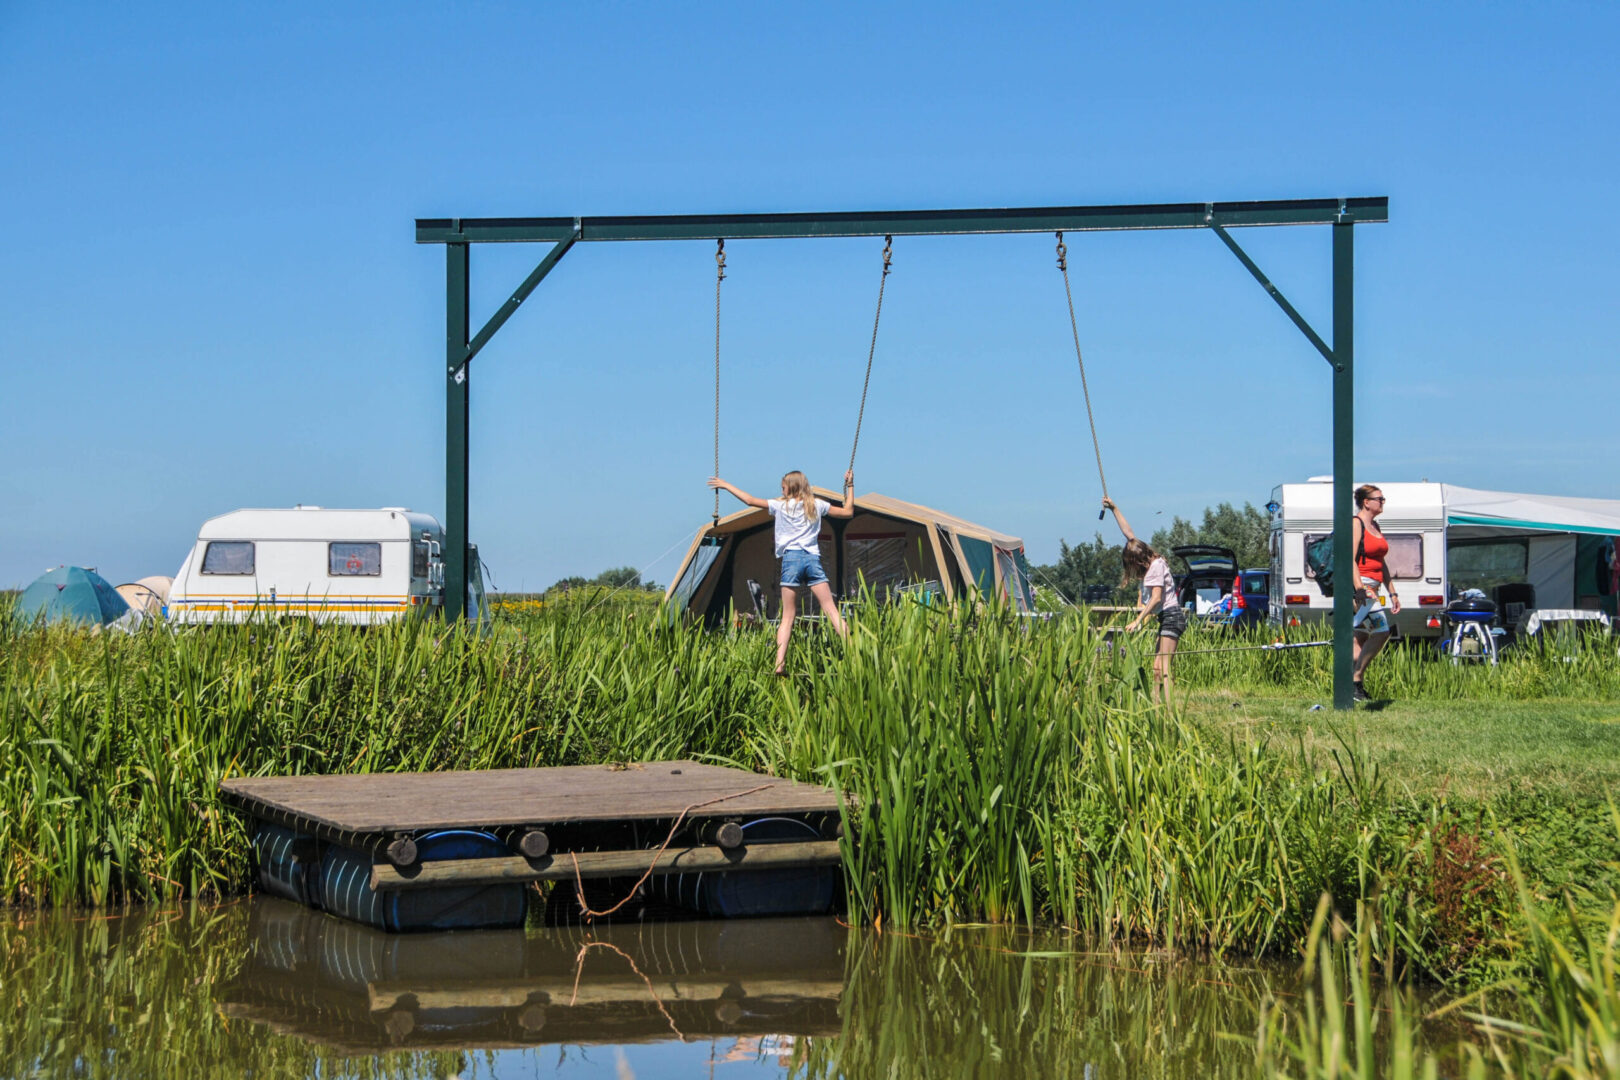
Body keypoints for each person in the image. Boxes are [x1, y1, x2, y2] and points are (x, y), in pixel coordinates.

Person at [708, 470, 854, 675]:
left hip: (791, 559)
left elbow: (749, 500)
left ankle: (779, 663)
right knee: (831, 609)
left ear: (791, 486)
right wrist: (850, 486)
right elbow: (848, 512)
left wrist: (725, 485)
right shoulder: (816, 504)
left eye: (783, 486)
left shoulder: (781, 506)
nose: (781, 489)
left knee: (788, 616)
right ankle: (855, 654)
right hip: (812, 559)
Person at [1102, 497, 1184, 704]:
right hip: (1166, 618)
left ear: (1137, 561)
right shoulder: (1149, 558)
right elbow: (1129, 535)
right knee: (1157, 668)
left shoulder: (1155, 567)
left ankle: (1168, 710)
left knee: (1163, 669)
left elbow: (1156, 598)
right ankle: (1157, 706)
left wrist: (1138, 620)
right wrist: (1114, 509)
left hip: (1172, 617)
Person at [1350, 484, 1400, 701]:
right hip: (1362, 587)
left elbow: (1382, 563)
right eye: (1379, 499)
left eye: (1383, 499)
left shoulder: (1376, 526)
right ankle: (1356, 679)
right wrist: (1360, 588)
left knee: (1360, 636)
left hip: (1376, 585)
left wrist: (1392, 592)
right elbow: (1349, 559)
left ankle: (1353, 687)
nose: (1382, 502)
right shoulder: (1356, 524)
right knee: (1382, 631)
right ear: (1366, 502)